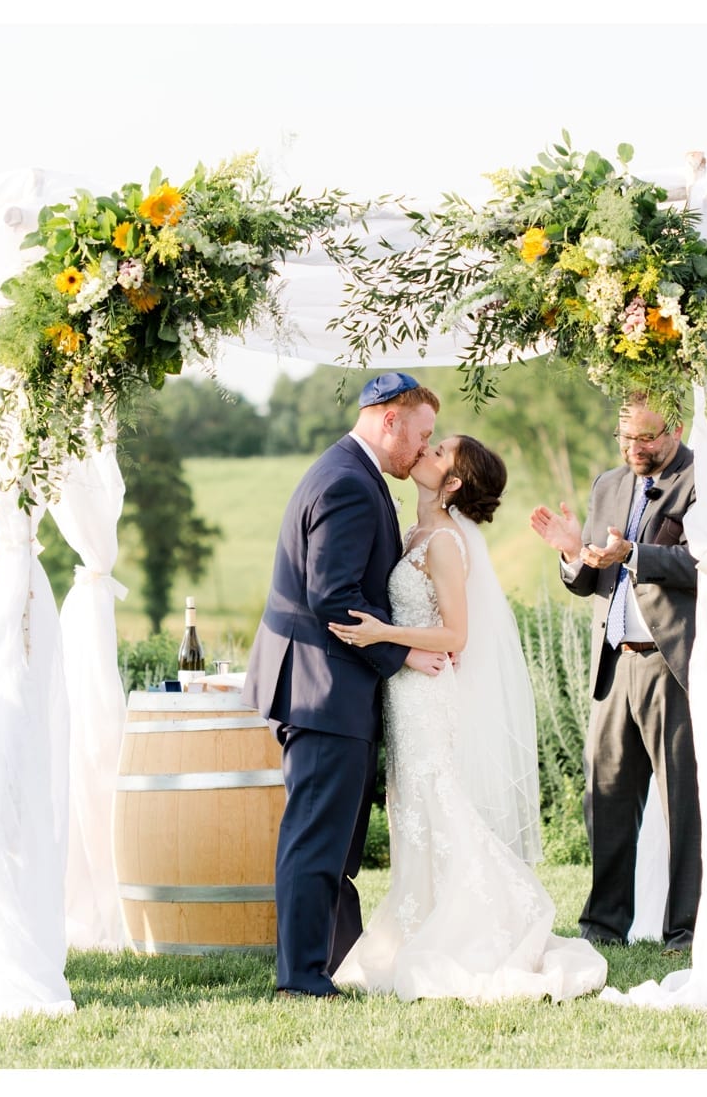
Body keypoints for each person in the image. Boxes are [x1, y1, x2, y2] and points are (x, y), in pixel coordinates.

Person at [328, 436, 608, 1001]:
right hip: (406, 694)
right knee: (416, 811)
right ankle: (425, 922)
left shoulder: (447, 544)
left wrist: (386, 635)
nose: (424, 453)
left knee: (440, 803)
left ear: (452, 484)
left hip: (430, 698)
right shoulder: (414, 534)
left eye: (438, 454)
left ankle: (483, 924)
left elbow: (457, 634)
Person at [243, 372, 449, 999]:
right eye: (421, 436)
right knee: (316, 837)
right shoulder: (349, 485)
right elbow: (333, 597)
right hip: (322, 688)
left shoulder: (347, 472)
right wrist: (404, 654)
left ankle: (331, 960)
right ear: (390, 421)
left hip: (325, 685)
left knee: (333, 840)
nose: (422, 450)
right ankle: (302, 979)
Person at [529, 393, 701, 951]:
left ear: (674, 426)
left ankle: (686, 930)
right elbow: (588, 579)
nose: (634, 449)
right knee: (604, 798)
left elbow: (705, 563)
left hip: (669, 662)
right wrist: (571, 553)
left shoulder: (703, 480)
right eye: (625, 438)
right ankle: (603, 927)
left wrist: (633, 555)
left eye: (646, 438)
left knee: (684, 806)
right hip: (613, 661)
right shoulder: (608, 484)